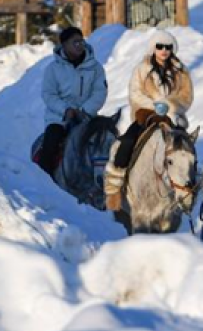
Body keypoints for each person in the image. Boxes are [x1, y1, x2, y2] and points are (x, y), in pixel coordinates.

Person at [103, 29, 193, 205]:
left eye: (168, 47)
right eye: (160, 46)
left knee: (186, 149)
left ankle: (188, 188)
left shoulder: (180, 71)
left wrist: (170, 107)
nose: (164, 50)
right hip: (146, 115)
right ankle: (115, 189)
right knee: (127, 142)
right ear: (153, 48)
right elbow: (135, 93)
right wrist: (154, 105)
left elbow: (185, 97)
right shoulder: (142, 69)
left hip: (172, 118)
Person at [39, 27, 108, 176]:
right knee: (51, 142)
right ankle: (45, 180)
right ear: (64, 45)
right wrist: (65, 110)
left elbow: (99, 92)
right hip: (59, 119)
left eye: (81, 41)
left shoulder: (95, 67)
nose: (79, 45)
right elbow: (49, 94)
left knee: (105, 140)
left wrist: (84, 110)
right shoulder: (53, 69)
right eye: (75, 42)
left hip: (87, 117)